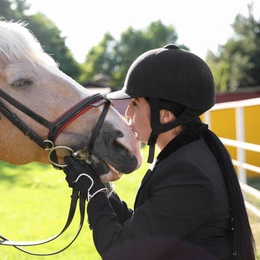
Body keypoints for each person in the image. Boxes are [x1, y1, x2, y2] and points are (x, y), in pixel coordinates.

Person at [63, 44, 256, 260]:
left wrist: (94, 191)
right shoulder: (187, 154)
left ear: (164, 115)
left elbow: (120, 253)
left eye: (135, 103)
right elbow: (145, 229)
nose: (127, 112)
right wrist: (102, 187)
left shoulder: (187, 173)